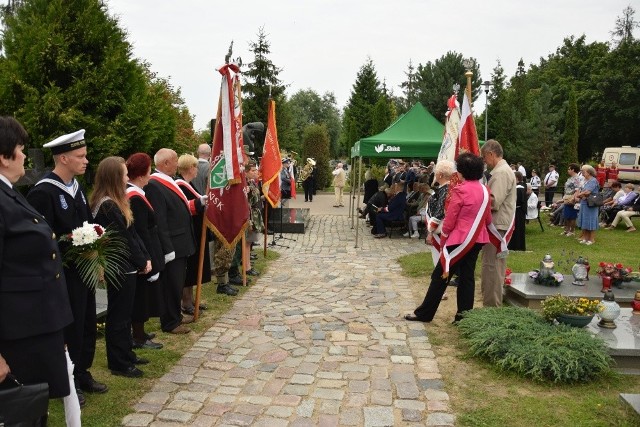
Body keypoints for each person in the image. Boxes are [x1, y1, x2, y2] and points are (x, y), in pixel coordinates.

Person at [27, 128, 107, 405]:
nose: (86, 161)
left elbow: (87, 225)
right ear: (62, 158)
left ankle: (83, 371)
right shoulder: (43, 192)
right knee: (69, 327)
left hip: (83, 270)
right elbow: (42, 240)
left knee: (87, 322)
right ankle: (68, 380)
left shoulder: (77, 188)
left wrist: (95, 256)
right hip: (63, 274)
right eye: (80, 156)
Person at [0, 117, 74, 411]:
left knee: (34, 410)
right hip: (18, 335)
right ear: (4, 157)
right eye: (20, 149)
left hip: (33, 327)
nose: (23, 157)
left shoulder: (9, 193)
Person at [405, 153, 492, 323]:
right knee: (467, 278)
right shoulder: (485, 190)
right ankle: (463, 317)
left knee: (440, 275)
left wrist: (443, 240)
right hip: (476, 239)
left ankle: (425, 314)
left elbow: (450, 220)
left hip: (458, 240)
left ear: (462, 172)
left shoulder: (460, 190)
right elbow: (488, 218)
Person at [90, 157, 151, 378]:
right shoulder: (106, 205)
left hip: (128, 265)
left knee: (125, 314)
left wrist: (144, 258)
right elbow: (123, 238)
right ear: (115, 177)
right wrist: (141, 260)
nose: (127, 178)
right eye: (124, 174)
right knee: (119, 316)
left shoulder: (115, 201)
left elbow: (132, 232)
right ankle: (118, 362)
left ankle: (126, 353)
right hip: (119, 266)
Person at [145, 148, 196, 334]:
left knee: (177, 282)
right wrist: (167, 248)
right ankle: (170, 322)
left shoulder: (168, 181)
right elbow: (160, 221)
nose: (177, 163)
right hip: (172, 244)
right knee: (171, 285)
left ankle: (176, 316)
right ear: (165, 163)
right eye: (175, 160)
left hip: (180, 241)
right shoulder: (154, 185)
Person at [125, 153, 165, 350]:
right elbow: (141, 230)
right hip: (142, 253)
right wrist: (148, 258)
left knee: (143, 296)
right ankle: (138, 337)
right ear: (141, 175)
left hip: (147, 249)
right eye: (149, 171)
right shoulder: (134, 197)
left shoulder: (137, 192)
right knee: (140, 298)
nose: (150, 175)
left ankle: (140, 332)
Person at [480, 139, 516, 307]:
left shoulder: (501, 172)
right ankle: (490, 302)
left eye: (484, 157)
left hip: (497, 225)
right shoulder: (502, 170)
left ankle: (492, 306)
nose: (484, 161)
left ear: (491, 154)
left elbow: (494, 201)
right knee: (491, 265)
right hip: (497, 224)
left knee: (492, 266)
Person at [175, 154, 211, 315]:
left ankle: (190, 300)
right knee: (188, 270)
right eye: (195, 166)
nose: (197, 169)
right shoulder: (180, 185)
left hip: (195, 232)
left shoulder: (188, 184)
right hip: (189, 233)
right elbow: (184, 208)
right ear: (190, 168)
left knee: (193, 268)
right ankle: (186, 302)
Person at [574, 164, 600, 245]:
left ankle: (591, 239)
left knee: (591, 221)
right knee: (584, 220)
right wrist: (581, 194)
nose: (581, 172)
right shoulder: (585, 180)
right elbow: (582, 191)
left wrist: (578, 195)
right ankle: (585, 238)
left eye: (583, 171)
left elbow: (587, 192)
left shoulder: (593, 180)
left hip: (591, 204)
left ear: (588, 172)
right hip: (584, 203)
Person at [560, 163, 581, 236]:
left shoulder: (577, 178)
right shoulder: (570, 178)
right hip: (567, 197)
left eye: (569, 169)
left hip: (572, 198)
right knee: (566, 214)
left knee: (572, 215)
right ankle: (566, 230)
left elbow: (577, 190)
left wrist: (572, 198)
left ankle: (572, 231)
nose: (567, 170)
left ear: (573, 170)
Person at [508, 172, 526, 251]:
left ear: (517, 178)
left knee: (518, 229)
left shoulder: (519, 188)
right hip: (517, 211)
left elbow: (518, 200)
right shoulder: (518, 187)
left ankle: (517, 246)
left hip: (518, 211)